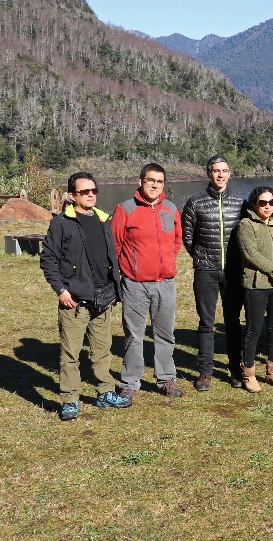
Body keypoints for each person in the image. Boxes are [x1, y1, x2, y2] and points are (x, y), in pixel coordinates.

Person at [41, 172, 132, 421]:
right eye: (84, 191)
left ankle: (105, 393)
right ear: (72, 196)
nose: (91, 194)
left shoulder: (103, 220)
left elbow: (109, 260)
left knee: (102, 351)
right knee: (70, 354)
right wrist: (61, 290)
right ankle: (70, 400)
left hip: (103, 298)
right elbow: (48, 259)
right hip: (75, 301)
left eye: (94, 190)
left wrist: (114, 290)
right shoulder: (62, 223)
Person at [112, 163, 184, 399]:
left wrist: (165, 266)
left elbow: (176, 242)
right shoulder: (125, 209)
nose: (155, 185)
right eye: (150, 180)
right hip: (135, 284)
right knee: (134, 334)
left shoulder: (171, 209)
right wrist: (129, 271)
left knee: (165, 333)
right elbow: (115, 246)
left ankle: (166, 379)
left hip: (165, 283)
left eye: (160, 181)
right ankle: (130, 382)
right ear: (140, 181)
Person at [181, 154, 245, 391]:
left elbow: (246, 235)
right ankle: (205, 371)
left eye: (224, 171)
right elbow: (187, 236)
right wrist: (200, 257)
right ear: (209, 173)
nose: (220, 175)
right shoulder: (195, 202)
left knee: (232, 321)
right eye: (216, 171)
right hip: (206, 270)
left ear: (230, 173)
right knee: (206, 322)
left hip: (233, 270)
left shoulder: (240, 202)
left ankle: (236, 369)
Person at [237, 187, 273, 392]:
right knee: (254, 329)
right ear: (255, 204)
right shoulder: (246, 224)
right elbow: (249, 252)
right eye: (263, 202)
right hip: (256, 285)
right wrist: (272, 269)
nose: (267, 206)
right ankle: (249, 373)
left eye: (271, 202)